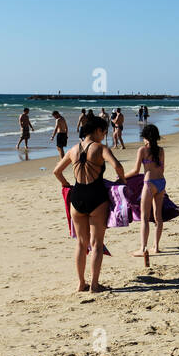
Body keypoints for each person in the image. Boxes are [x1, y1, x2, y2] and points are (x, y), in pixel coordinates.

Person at [53, 115, 125, 293]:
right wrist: (122, 181)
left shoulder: (72, 150)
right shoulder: (101, 148)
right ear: (98, 130)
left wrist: (66, 185)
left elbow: (56, 171)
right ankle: (94, 285)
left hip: (76, 197)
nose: (104, 135)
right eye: (104, 132)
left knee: (81, 244)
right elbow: (117, 165)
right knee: (97, 244)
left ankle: (80, 283)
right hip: (97, 197)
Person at [128, 124, 167, 266]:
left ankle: (143, 248)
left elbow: (135, 170)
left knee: (145, 217)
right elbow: (162, 168)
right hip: (161, 182)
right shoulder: (161, 150)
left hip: (149, 183)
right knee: (158, 217)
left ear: (146, 138)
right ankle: (156, 247)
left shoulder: (143, 150)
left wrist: (122, 178)